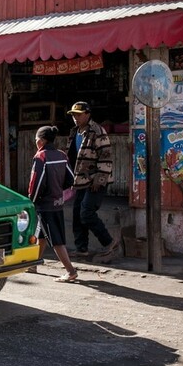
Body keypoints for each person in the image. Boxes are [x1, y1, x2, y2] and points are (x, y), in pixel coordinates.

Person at [65, 101, 120, 259]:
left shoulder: (97, 131)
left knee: (86, 213)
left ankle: (109, 242)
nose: (75, 118)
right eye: (74, 115)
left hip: (95, 181)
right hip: (80, 181)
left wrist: (100, 178)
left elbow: (105, 156)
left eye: (78, 114)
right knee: (77, 214)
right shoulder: (75, 132)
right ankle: (81, 248)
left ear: (87, 114)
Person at [28, 125, 77, 282]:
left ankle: (70, 271)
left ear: (41, 141)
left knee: (56, 239)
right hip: (58, 202)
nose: (35, 142)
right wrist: (57, 191)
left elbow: (37, 183)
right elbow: (71, 179)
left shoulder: (41, 157)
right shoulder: (62, 155)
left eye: (36, 139)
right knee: (42, 233)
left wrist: (32, 200)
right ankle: (33, 264)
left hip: (46, 203)